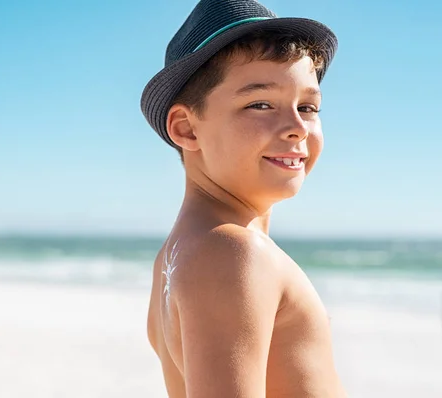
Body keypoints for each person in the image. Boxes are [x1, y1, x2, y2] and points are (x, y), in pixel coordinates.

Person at [141, 0, 347, 396]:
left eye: (308, 106)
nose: (297, 127)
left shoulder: (179, 252)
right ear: (186, 128)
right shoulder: (234, 252)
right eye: (260, 104)